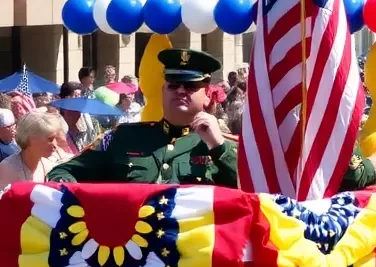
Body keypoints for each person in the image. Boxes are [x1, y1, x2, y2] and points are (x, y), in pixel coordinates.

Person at [48, 49, 239, 186]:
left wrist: (219, 147)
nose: (180, 91)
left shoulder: (224, 147)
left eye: (190, 86)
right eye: (173, 85)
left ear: (207, 93)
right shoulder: (122, 137)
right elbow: (62, 173)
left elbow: (255, 191)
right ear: (163, 91)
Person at [0, 110, 67, 185]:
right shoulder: (8, 168)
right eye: (50, 139)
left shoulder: (50, 165)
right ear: (31, 139)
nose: (55, 144)